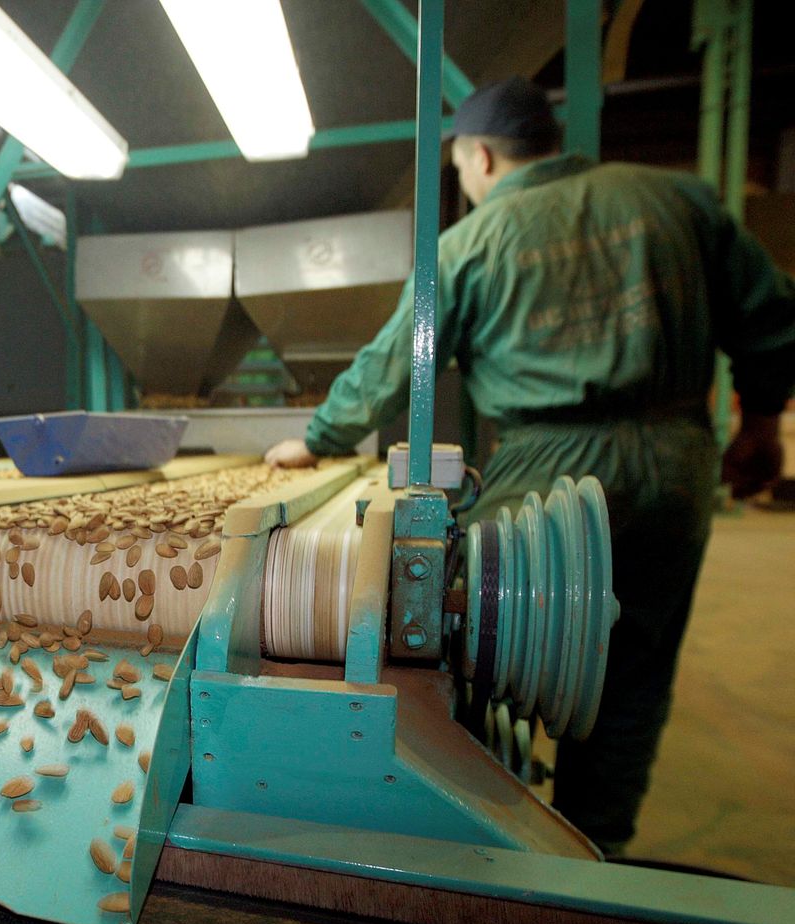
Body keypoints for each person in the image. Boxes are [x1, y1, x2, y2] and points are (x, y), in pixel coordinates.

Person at [264, 76, 795, 856]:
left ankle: (502, 830)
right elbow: (772, 319)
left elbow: (392, 366)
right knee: (634, 671)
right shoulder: (677, 200)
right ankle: (593, 850)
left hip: (550, 463)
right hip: (676, 460)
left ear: (479, 156)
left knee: (486, 638)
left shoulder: (470, 243)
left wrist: (317, 438)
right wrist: (762, 421)